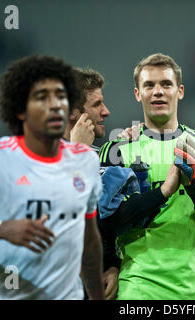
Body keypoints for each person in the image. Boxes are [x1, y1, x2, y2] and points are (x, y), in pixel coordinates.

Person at [98, 53, 195, 299]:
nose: (158, 91)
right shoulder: (117, 150)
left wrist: (194, 184)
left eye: (166, 84)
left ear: (179, 91)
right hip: (139, 288)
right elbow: (108, 223)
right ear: (138, 94)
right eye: (149, 85)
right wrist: (111, 264)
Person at [0, 55, 104, 299]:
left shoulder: (86, 160)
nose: (55, 105)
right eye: (42, 97)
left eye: (61, 96)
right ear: (20, 110)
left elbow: (89, 241)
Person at [63, 67, 118, 299]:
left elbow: (105, 225)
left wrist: (114, 266)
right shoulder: (37, 160)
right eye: (96, 105)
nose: (106, 112)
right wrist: (78, 154)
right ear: (74, 112)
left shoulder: (103, 159)